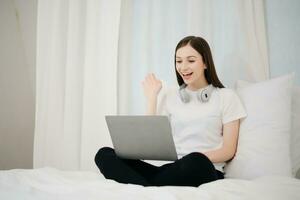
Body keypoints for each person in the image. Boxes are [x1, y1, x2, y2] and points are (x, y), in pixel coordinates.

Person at [94, 36, 247, 187]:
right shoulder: (170, 95)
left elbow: (228, 150)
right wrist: (152, 98)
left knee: (196, 161)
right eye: (178, 61)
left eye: (191, 60)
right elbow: (148, 143)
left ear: (205, 63)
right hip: (172, 170)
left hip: (203, 168)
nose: (183, 67)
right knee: (104, 154)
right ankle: (150, 190)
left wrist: (196, 157)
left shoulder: (226, 96)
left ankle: (146, 187)